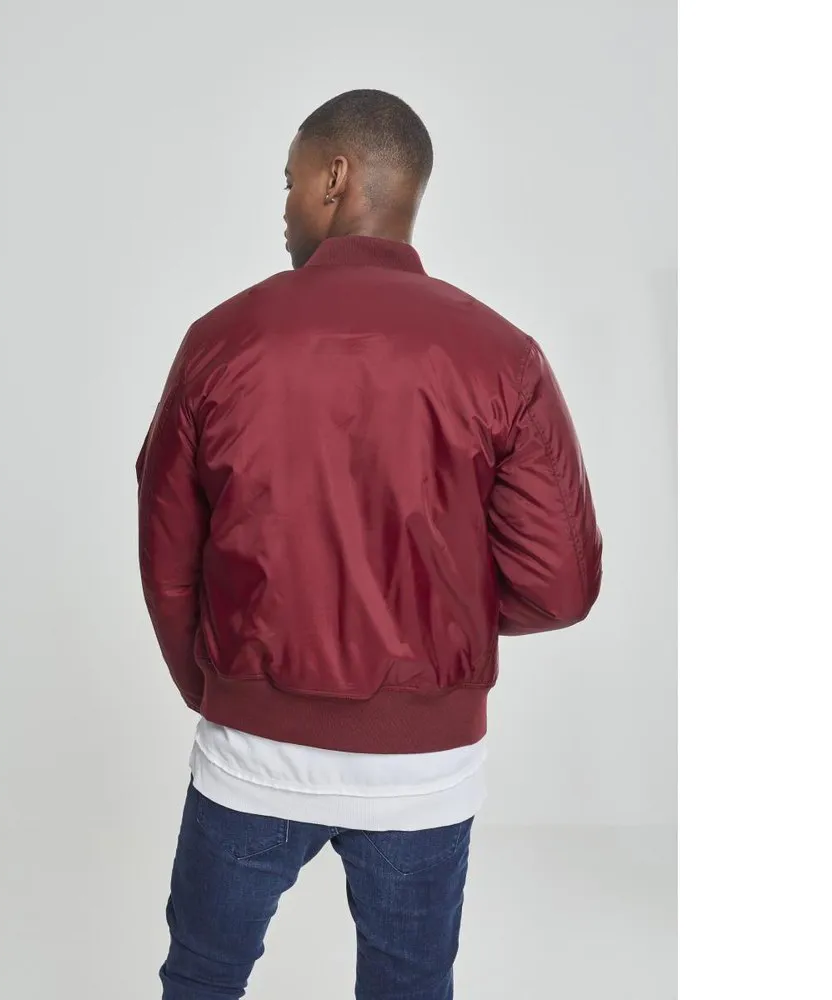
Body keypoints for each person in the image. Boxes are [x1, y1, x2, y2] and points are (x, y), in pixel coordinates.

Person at [136, 89, 602, 1000]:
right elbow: (562, 584)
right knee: (410, 986)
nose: (283, 205)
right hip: (423, 772)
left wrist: (226, 690)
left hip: (251, 757)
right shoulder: (502, 354)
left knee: (201, 978)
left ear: (335, 178)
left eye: (290, 180)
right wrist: (437, 614)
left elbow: (167, 557)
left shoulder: (220, 341)